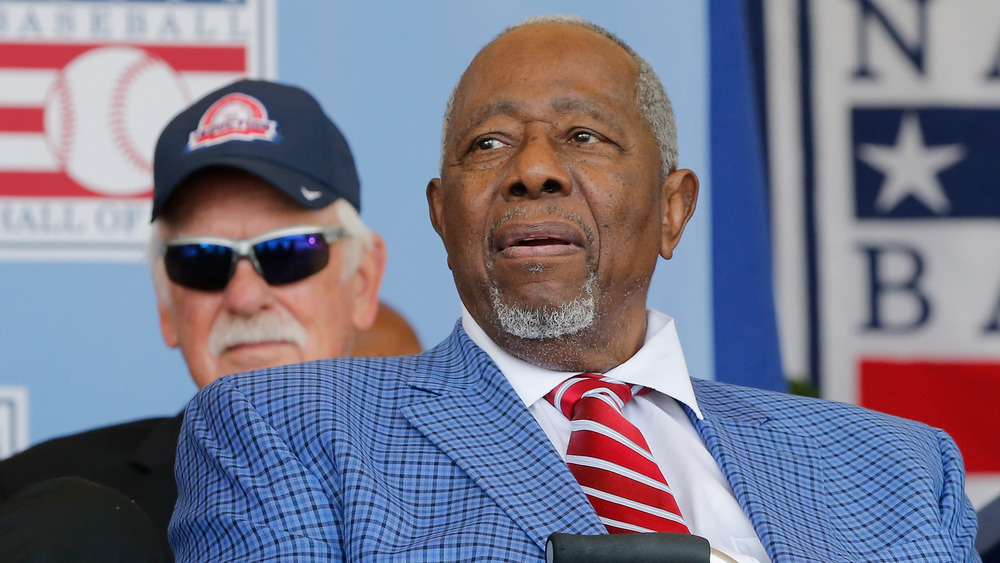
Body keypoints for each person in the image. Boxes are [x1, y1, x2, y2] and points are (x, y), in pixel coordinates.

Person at [170, 17, 981, 562]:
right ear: (442, 216)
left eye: (583, 136)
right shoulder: (288, 428)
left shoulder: (899, 468)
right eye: (488, 143)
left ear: (674, 208)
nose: (533, 169)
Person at [0, 79, 423, 560]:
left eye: (287, 252)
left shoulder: (481, 501)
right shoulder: (36, 512)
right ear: (167, 304)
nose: (244, 297)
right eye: (201, 259)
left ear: (363, 281)